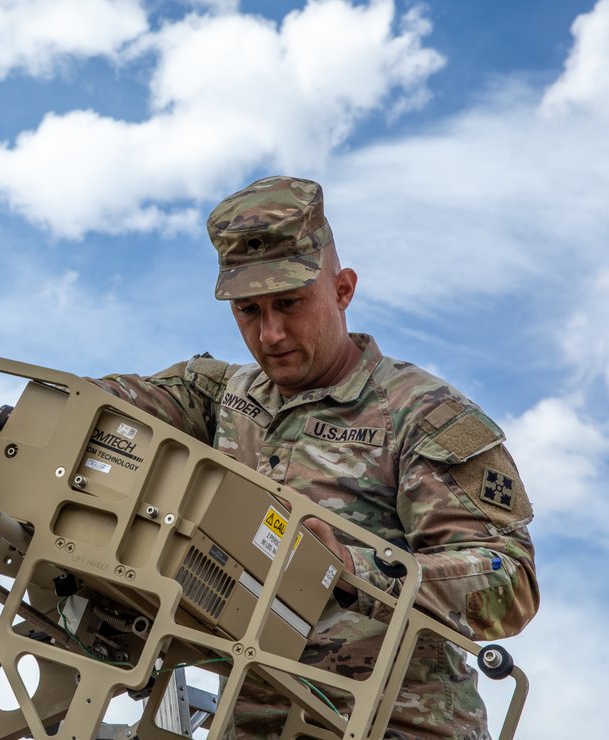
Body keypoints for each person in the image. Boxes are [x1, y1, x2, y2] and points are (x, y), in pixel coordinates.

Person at [90, 176, 539, 739]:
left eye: (290, 304)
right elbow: (98, 405)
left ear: (343, 290)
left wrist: (352, 570)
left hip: (389, 725)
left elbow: (511, 585)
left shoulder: (423, 417)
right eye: (247, 311)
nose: (271, 333)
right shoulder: (219, 395)